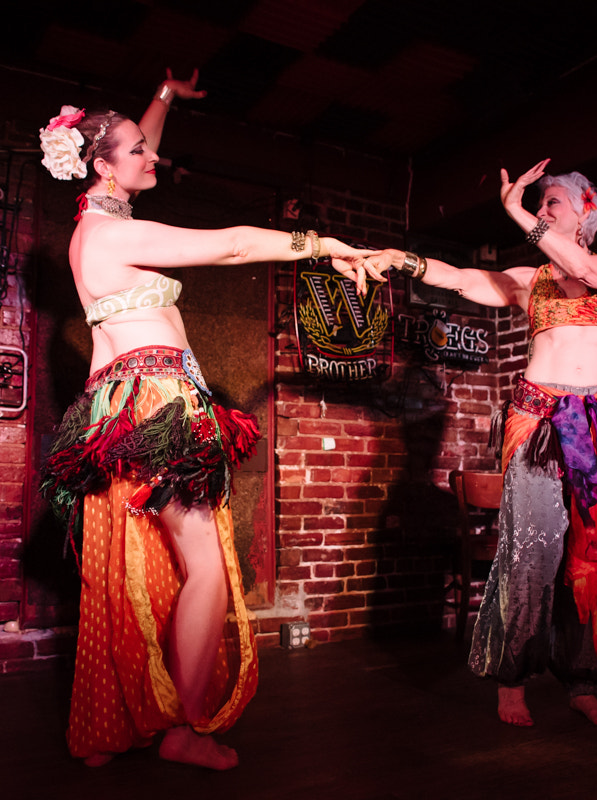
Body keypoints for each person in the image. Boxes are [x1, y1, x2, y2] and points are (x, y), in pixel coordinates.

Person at [37, 70, 382, 770]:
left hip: (126, 407)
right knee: (206, 573)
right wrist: (328, 246)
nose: (150, 156)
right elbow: (228, 246)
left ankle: (140, 711)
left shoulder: (100, 222)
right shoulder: (106, 235)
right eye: (136, 151)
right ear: (103, 165)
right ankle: (183, 730)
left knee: (147, 566)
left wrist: (160, 100)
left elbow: (135, 148)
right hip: (155, 406)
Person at [374, 159, 597, 728]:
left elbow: (585, 267)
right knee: (529, 556)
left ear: (587, 208)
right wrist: (399, 260)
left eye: (553, 202)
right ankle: (511, 681)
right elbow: (459, 278)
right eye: (540, 203)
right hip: (541, 424)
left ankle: (583, 680)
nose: (543, 210)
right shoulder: (532, 281)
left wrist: (516, 210)